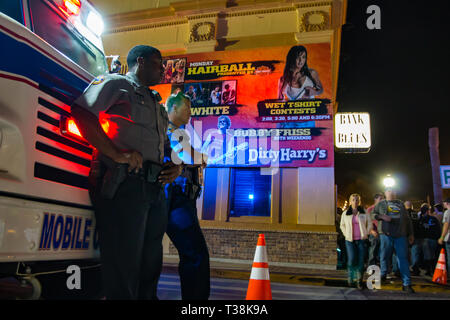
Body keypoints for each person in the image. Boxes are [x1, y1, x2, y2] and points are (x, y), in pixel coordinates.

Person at [70, 45, 182, 299]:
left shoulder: (156, 103)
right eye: (158, 63)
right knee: (124, 262)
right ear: (140, 62)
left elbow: (163, 144)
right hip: (125, 185)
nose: (163, 69)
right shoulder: (116, 84)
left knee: (150, 262)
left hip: (154, 188)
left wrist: (173, 165)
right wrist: (116, 154)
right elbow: (82, 112)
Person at [163, 92, 211, 300]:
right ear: (173, 108)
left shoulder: (172, 131)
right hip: (176, 198)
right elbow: (190, 156)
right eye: (187, 108)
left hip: (174, 197)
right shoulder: (171, 131)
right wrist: (202, 157)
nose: (190, 113)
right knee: (195, 254)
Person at [371, 188, 415, 293]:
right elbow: (371, 214)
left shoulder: (401, 204)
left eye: (393, 191)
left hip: (401, 235)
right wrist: (381, 216)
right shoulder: (381, 204)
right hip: (386, 235)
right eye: (389, 191)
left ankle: (406, 283)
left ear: (396, 193)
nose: (391, 192)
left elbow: (407, 220)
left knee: (403, 258)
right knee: (384, 256)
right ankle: (383, 274)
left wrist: (411, 233)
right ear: (385, 193)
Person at [340, 194, 372, 289]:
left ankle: (359, 281)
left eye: (357, 200)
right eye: (353, 200)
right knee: (352, 259)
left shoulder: (364, 212)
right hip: (350, 240)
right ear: (350, 202)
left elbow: (369, 224)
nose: (355, 202)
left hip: (361, 240)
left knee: (361, 261)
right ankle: (350, 277)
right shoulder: (345, 213)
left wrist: (366, 233)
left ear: (359, 202)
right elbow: (342, 225)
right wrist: (346, 234)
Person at [419, 203, 441, 276]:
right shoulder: (434, 218)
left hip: (425, 239)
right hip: (433, 239)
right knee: (433, 255)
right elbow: (438, 229)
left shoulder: (420, 220)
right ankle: (432, 269)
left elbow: (419, 230)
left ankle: (429, 270)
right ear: (427, 211)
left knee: (427, 255)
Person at [404, 201, 423, 276]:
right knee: (415, 253)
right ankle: (415, 269)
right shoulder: (415, 213)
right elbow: (418, 224)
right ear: (411, 206)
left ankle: (404, 269)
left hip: (406, 235)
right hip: (416, 235)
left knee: (404, 253)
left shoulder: (403, 213)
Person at [366, 193, 384, 266]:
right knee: (373, 249)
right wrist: (371, 231)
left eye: (383, 199)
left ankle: (381, 266)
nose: (382, 200)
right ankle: (371, 266)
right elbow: (366, 222)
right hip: (374, 232)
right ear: (375, 199)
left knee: (382, 251)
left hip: (383, 232)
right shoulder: (370, 209)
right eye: (380, 199)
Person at [438, 198, 450, 270]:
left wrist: (442, 237)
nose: (443, 204)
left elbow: (446, 225)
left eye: (444, 203)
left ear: (448, 203)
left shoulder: (448, 212)